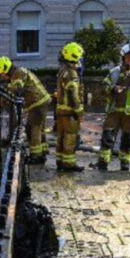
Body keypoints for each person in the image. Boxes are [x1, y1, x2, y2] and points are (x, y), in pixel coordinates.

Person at [95, 44, 130, 172]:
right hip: (114, 112)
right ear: (123, 57)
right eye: (128, 56)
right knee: (107, 138)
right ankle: (103, 163)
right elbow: (102, 87)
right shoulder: (114, 72)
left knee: (127, 140)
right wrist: (113, 88)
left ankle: (125, 164)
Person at [0, 56, 52, 164]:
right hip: (39, 102)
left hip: (37, 103)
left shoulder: (17, 74)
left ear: (4, 69)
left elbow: (17, 90)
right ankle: (42, 153)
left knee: (33, 129)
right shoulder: (17, 74)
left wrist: (6, 99)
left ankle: (36, 156)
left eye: (0, 74)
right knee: (38, 128)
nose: (2, 77)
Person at [55, 42, 85, 173]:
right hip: (70, 112)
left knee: (61, 137)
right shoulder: (72, 74)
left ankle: (60, 161)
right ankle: (69, 164)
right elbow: (73, 94)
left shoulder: (63, 71)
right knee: (70, 137)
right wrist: (78, 110)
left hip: (61, 111)